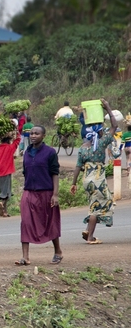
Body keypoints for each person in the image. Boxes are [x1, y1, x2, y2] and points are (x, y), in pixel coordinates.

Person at [70, 99, 117, 245]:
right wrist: (108, 107)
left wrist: (73, 183)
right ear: (100, 131)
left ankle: (88, 230)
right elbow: (115, 125)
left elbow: (78, 166)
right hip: (97, 179)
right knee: (99, 205)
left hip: (86, 180)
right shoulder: (101, 144)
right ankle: (90, 237)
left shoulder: (83, 148)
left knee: (94, 203)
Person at [15, 125, 63, 266]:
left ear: (43, 136)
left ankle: (58, 251)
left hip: (47, 192)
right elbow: (25, 172)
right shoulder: (27, 153)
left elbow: (55, 173)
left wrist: (55, 194)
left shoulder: (50, 153)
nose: (33, 136)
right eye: (31, 133)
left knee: (51, 221)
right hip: (29, 192)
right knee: (26, 222)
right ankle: (25, 257)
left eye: (37, 133)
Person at [0, 129, 21, 217]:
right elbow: (18, 140)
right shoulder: (10, 148)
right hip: (7, 173)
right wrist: (16, 131)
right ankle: (2, 204)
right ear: (9, 140)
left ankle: (4, 212)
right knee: (6, 193)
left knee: (4, 191)